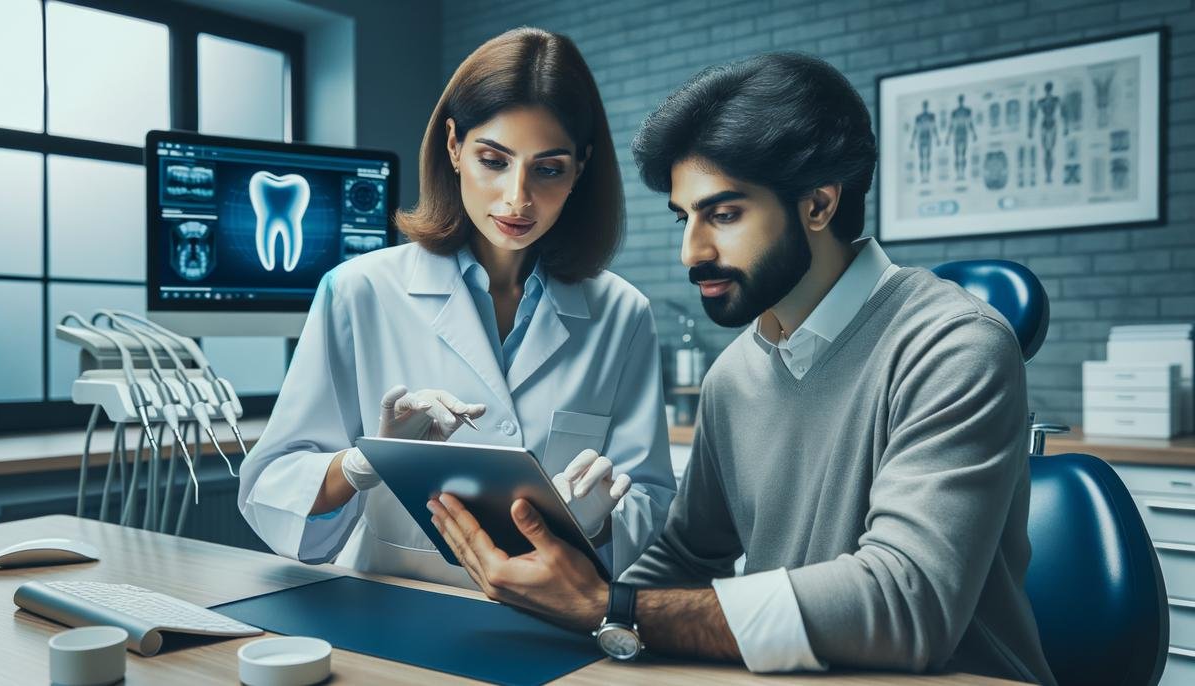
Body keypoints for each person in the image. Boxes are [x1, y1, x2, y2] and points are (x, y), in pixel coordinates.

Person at [427, 52, 1056, 685]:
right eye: (685, 216)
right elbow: (685, 556)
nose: (691, 251)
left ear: (818, 205)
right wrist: (565, 604)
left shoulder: (955, 346)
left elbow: (907, 603)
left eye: (723, 215)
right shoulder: (735, 375)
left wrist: (610, 607)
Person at [238, 27, 676, 588]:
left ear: (581, 167)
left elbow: (651, 496)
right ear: (453, 145)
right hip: (391, 618)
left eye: (548, 169)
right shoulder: (357, 292)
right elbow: (270, 487)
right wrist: (363, 464)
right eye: (493, 160)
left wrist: (594, 526)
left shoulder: (622, 314)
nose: (518, 199)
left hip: (553, 632)